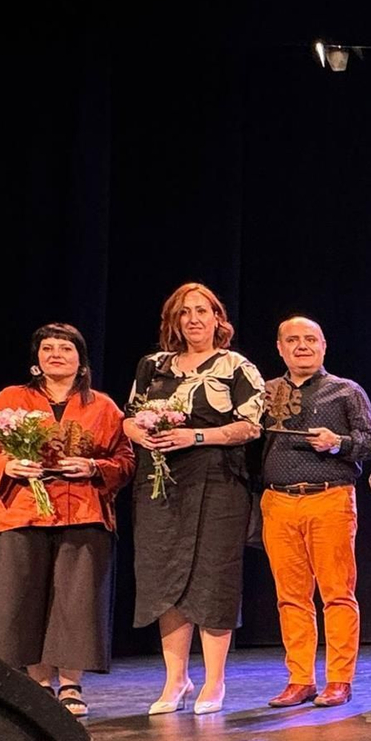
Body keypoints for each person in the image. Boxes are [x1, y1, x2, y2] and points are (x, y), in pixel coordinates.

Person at [0, 324, 135, 717]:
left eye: (65, 348)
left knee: (75, 603)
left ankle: (71, 686)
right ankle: (39, 684)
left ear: (81, 360)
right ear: (36, 359)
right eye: (47, 348)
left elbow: (125, 461)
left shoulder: (104, 407)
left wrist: (94, 466)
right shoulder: (12, 399)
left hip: (82, 513)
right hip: (21, 511)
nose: (55, 354)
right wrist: (9, 464)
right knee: (25, 599)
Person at [123, 282, 265, 715]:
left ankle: (214, 681)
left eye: (203, 311)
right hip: (160, 481)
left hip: (218, 480)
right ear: (174, 322)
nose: (194, 319)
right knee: (164, 575)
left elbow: (250, 426)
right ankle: (176, 680)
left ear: (218, 319)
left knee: (213, 577)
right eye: (185, 313)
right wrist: (141, 432)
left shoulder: (236, 366)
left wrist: (195, 435)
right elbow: (129, 419)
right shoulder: (153, 365)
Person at [259, 316, 371, 709]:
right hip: (278, 501)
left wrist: (337, 443)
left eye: (310, 339)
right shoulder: (265, 392)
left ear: (324, 346)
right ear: (280, 348)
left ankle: (340, 680)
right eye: (292, 340)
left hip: (329, 497)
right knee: (290, 597)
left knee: (336, 594)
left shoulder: (345, 391)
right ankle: (300, 679)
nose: (302, 346)